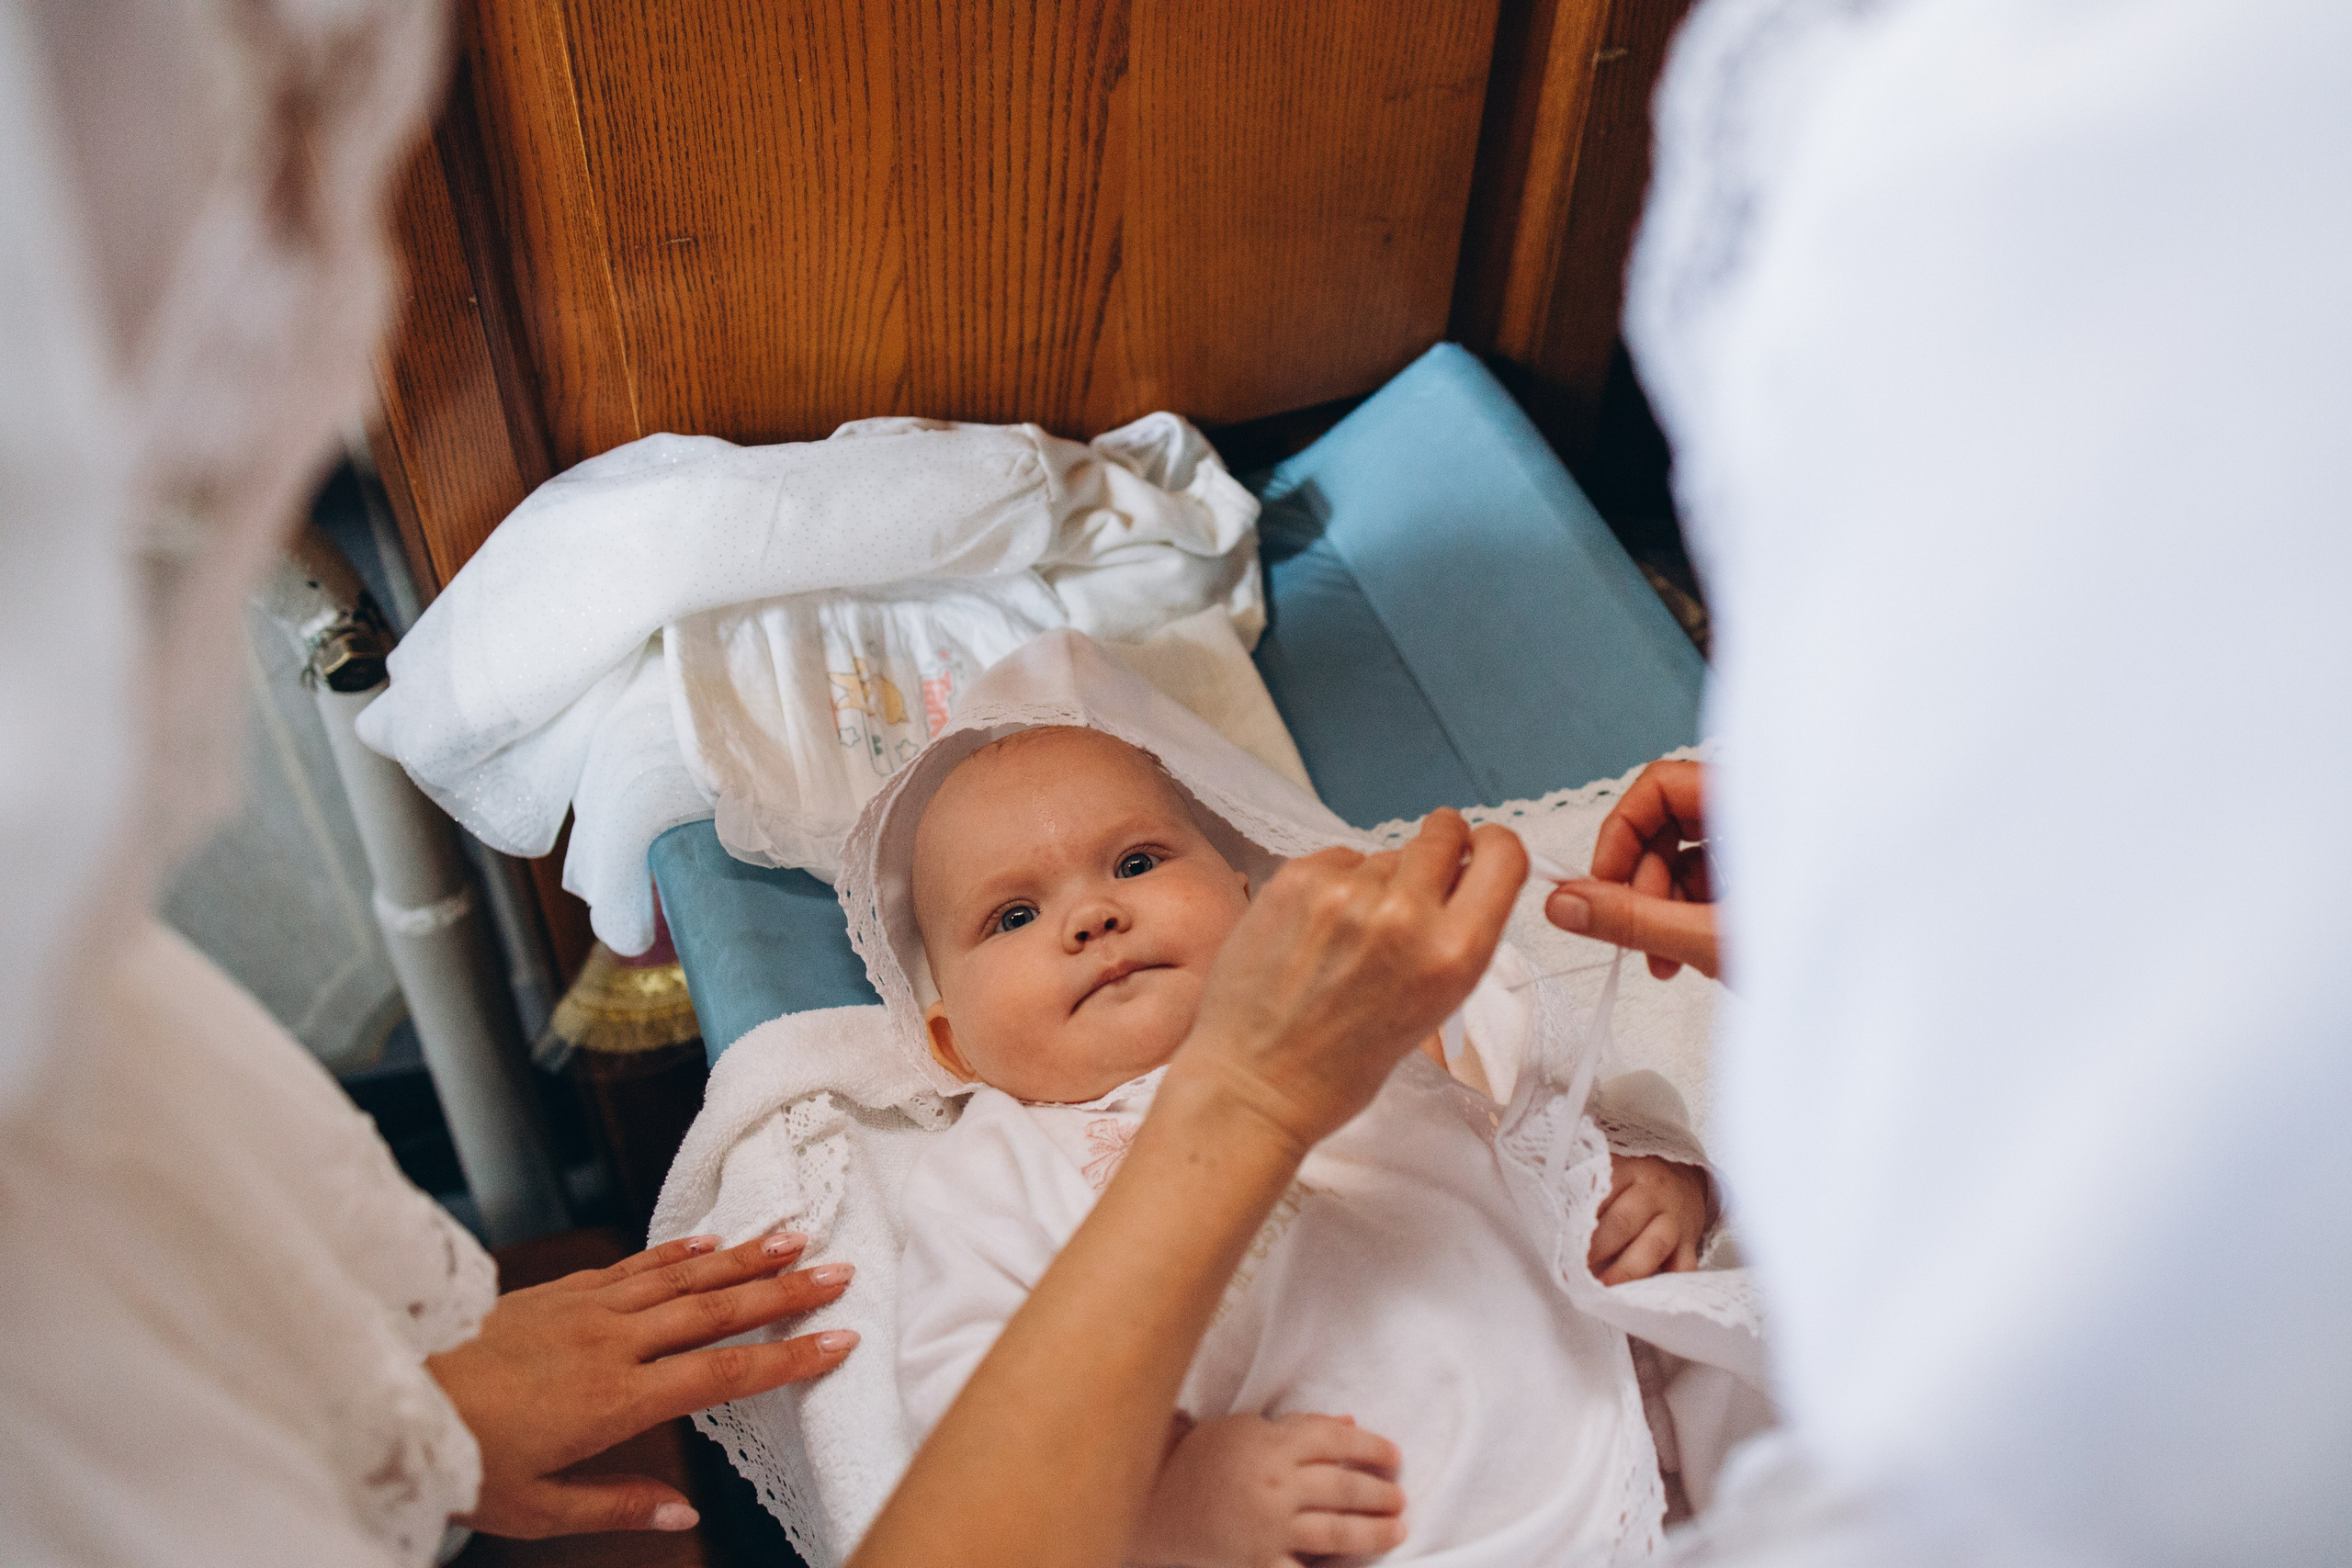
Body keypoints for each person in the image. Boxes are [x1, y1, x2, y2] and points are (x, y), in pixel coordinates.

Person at [885, 695, 1748, 1564]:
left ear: (1255, 905)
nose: (1091, 916)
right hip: (1402, 1526)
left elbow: (1565, 1105)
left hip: (1635, 1419)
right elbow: (983, 1421)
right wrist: (1175, 1502)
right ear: (953, 1042)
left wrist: (1664, 1180)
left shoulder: (1372, 999)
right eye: (1014, 916)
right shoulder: (993, 1171)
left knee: (1762, 1372)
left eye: (1137, 861)